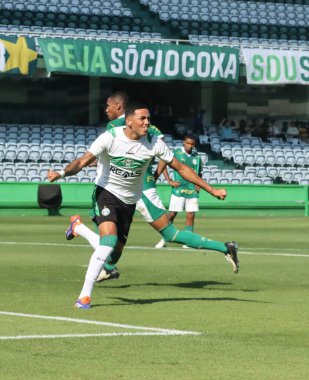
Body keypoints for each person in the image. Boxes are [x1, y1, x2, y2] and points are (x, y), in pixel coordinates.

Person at [48, 103, 238, 309]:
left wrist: (212, 190)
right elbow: (83, 161)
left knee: (113, 255)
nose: (147, 123)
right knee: (109, 239)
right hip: (106, 194)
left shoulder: (154, 143)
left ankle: (78, 227)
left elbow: (181, 168)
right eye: (142, 119)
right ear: (129, 122)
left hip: (129, 202)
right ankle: (84, 296)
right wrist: (62, 173)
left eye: (148, 118)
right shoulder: (110, 137)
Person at [155, 135, 202, 249]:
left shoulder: (197, 157)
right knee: (172, 214)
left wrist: (198, 183)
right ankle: (164, 238)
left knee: (191, 214)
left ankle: (188, 241)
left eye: (192, 144)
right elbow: (163, 164)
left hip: (192, 190)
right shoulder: (176, 153)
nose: (190, 146)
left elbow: (199, 172)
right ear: (183, 142)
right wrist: (169, 180)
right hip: (179, 188)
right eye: (188, 143)